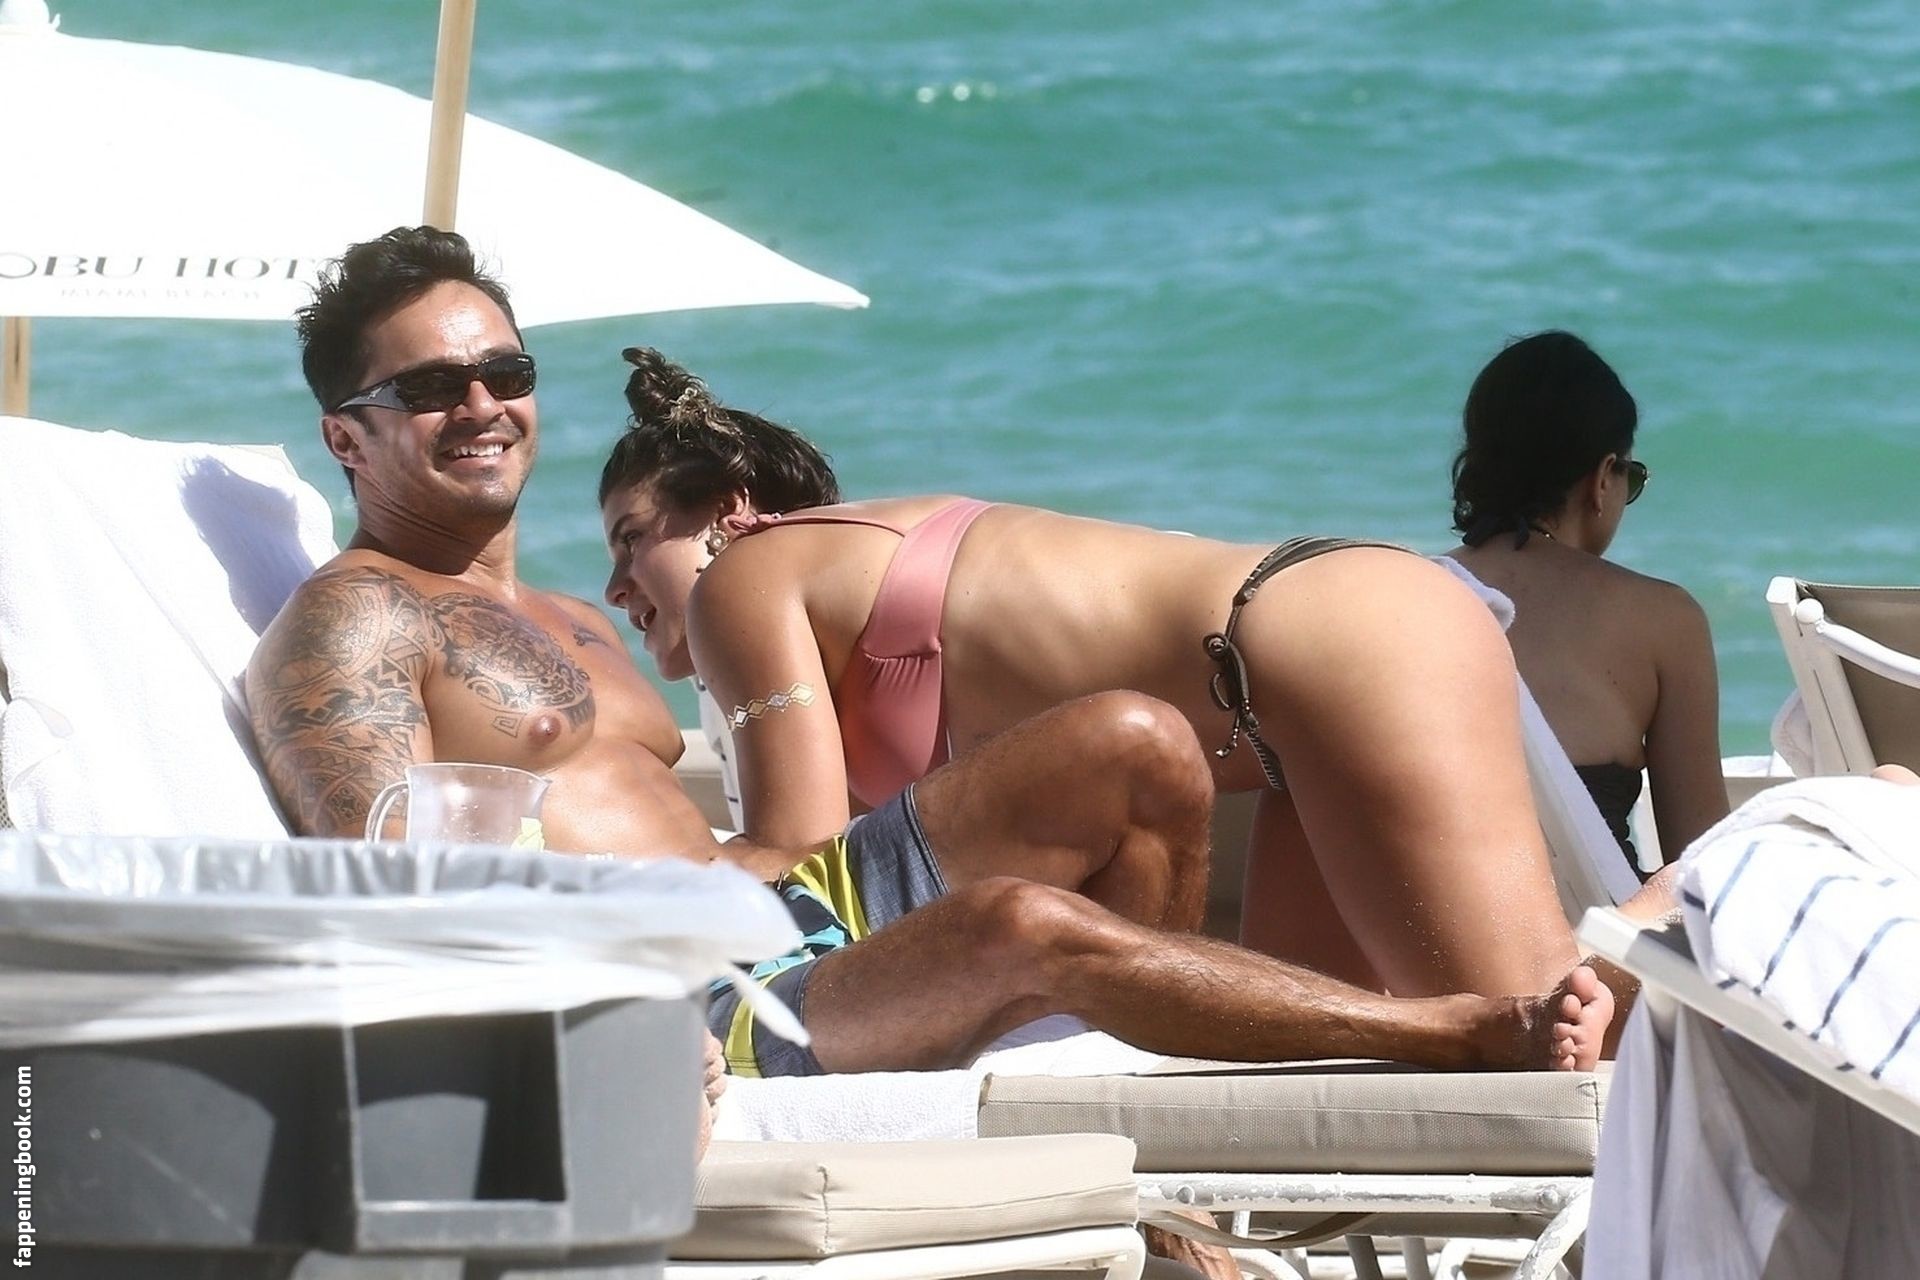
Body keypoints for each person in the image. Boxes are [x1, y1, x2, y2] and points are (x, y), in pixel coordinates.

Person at [246, 226, 1610, 1087]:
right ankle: (1447, 1030)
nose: (482, 403)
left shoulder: (578, 621)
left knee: (1134, 741)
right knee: (1016, 925)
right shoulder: (351, 620)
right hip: (677, 1002)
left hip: (783, 909)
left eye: (504, 370)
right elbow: (390, 901)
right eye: (430, 387)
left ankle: (1121, 1091)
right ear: (346, 437)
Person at [600, 348, 1675, 1003]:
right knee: (1310, 1086)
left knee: (1543, 1037)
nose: (612, 586)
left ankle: (1692, 912)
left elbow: (798, 857)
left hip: (1324, 643)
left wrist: (591, 881)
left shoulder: (743, 579)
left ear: (730, 509)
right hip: (1314, 669)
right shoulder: (833, 581)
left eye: (630, 538)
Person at [1446, 331, 1729, 874]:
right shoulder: (1665, 621)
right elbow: (1701, 868)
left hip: (1424, 925)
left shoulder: (1410, 596)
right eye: (1632, 478)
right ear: (1602, 479)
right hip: (1597, 927)